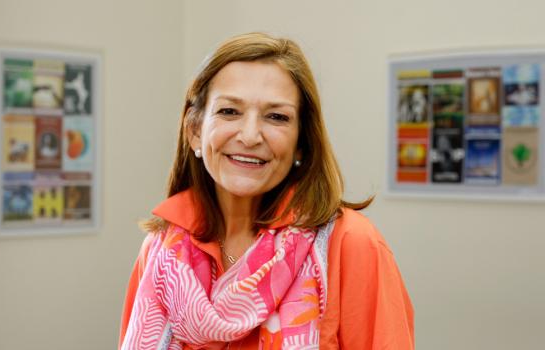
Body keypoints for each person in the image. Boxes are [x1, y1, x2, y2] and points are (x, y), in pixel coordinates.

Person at [119, 32, 414, 350]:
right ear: (194, 131)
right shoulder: (160, 251)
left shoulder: (352, 244)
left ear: (301, 142)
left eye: (276, 117)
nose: (249, 136)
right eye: (230, 111)